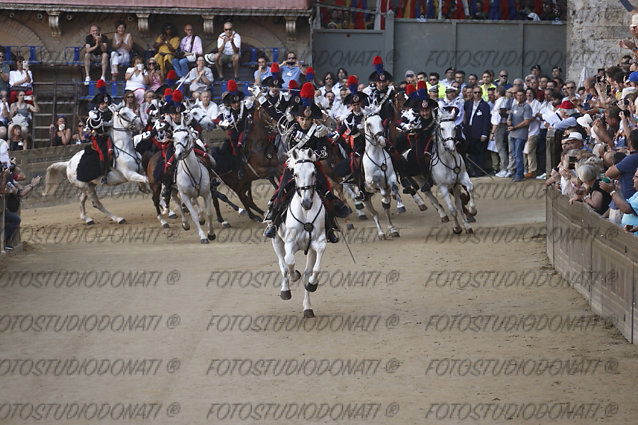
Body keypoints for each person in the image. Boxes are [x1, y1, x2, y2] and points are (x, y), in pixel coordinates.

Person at [263, 82, 350, 243]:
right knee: (281, 193)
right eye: (302, 119)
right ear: (297, 117)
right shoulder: (289, 125)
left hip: (313, 167)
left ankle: (330, 227)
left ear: (312, 119)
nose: (304, 122)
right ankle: (273, 224)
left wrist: (314, 156)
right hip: (293, 166)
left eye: (308, 119)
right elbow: (273, 113)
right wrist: (260, 96)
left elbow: (324, 151)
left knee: (326, 193)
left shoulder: (318, 132)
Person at [216, 80, 253, 178]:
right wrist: (223, 124)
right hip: (234, 134)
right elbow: (219, 120)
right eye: (233, 103)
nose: (236, 104)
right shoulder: (225, 111)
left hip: (247, 130)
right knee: (235, 149)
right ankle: (240, 168)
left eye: (237, 102)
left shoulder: (245, 106)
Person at [463, 86, 491, 177]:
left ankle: (479, 171)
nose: (477, 94)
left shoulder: (485, 105)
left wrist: (484, 134)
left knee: (479, 153)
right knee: (470, 152)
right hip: (469, 131)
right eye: (475, 92)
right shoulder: (468, 104)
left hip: (479, 132)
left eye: (479, 92)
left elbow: (486, 121)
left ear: (481, 93)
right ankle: (472, 171)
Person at [507, 89, 533, 182]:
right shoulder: (514, 106)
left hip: (520, 134)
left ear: (525, 96)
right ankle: (517, 172)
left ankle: (519, 174)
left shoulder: (527, 107)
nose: (519, 97)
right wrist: (509, 122)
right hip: (512, 133)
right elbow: (509, 118)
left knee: (518, 154)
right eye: (518, 95)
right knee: (514, 154)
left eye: (521, 95)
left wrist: (515, 127)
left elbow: (526, 121)